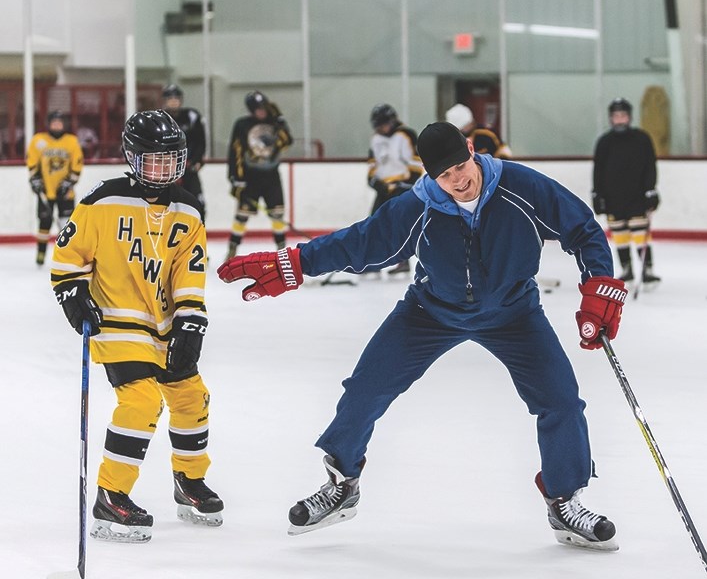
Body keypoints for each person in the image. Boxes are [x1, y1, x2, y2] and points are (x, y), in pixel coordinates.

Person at [217, 121, 628, 551]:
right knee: (365, 390)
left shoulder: (520, 187)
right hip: (430, 312)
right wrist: (296, 263)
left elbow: (581, 228)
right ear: (430, 176)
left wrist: (598, 284)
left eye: (461, 166)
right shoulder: (421, 206)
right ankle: (342, 483)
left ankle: (564, 499)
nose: (458, 180)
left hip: (514, 313)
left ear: (472, 151)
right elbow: (362, 243)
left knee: (560, 398)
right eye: (445, 175)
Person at [50, 110, 223, 543]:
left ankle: (189, 482)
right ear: (132, 157)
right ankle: (112, 495)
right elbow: (68, 258)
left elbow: (189, 271)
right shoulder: (102, 201)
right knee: (142, 401)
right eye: (154, 160)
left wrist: (190, 319)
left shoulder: (190, 209)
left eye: (172, 160)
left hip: (164, 324)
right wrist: (74, 296)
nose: (165, 170)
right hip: (118, 324)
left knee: (191, 397)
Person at [592, 97, 660, 284]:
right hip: (613, 197)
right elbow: (598, 170)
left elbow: (650, 166)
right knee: (619, 234)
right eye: (616, 116)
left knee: (640, 234)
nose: (620, 119)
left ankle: (647, 269)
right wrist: (597, 194)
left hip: (637, 196)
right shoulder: (604, 142)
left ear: (629, 117)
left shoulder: (642, 139)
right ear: (611, 118)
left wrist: (651, 190)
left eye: (623, 115)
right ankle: (627, 269)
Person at [225, 90, 293, 260]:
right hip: (250, 177)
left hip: (271, 176)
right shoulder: (242, 125)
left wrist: (281, 123)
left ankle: (282, 251)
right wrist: (235, 177)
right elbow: (236, 152)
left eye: (264, 107)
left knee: (277, 214)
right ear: (251, 110)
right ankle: (232, 250)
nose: (262, 111)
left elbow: (287, 142)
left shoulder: (274, 123)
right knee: (242, 215)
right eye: (258, 109)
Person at [367, 103, 424, 275]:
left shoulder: (406, 135)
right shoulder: (376, 139)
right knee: (373, 224)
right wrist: (376, 183)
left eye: (382, 124)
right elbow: (372, 168)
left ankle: (403, 261)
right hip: (384, 188)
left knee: (401, 225)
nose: (380, 129)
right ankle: (372, 261)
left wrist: (404, 185)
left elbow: (416, 164)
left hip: (401, 187)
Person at [26, 110, 84, 266]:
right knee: (44, 223)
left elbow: (77, 164)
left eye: (59, 122)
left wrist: (68, 183)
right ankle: (41, 254)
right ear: (49, 124)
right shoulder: (39, 140)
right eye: (54, 122)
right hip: (46, 190)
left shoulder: (71, 141)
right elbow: (32, 162)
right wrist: (36, 180)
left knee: (67, 225)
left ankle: (66, 257)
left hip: (66, 193)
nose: (57, 125)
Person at [162, 84, 208, 219]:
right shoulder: (160, 118)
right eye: (170, 98)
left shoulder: (192, 116)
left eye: (176, 98)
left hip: (189, 168)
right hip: (167, 171)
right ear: (165, 100)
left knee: (198, 202)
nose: (174, 101)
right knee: (166, 204)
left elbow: (200, 141)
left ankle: (198, 230)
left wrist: (197, 160)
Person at [445, 103, 512, 159]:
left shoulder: (487, 134)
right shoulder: (452, 139)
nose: (461, 131)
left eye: (463, 127)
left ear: (470, 122)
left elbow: (504, 154)